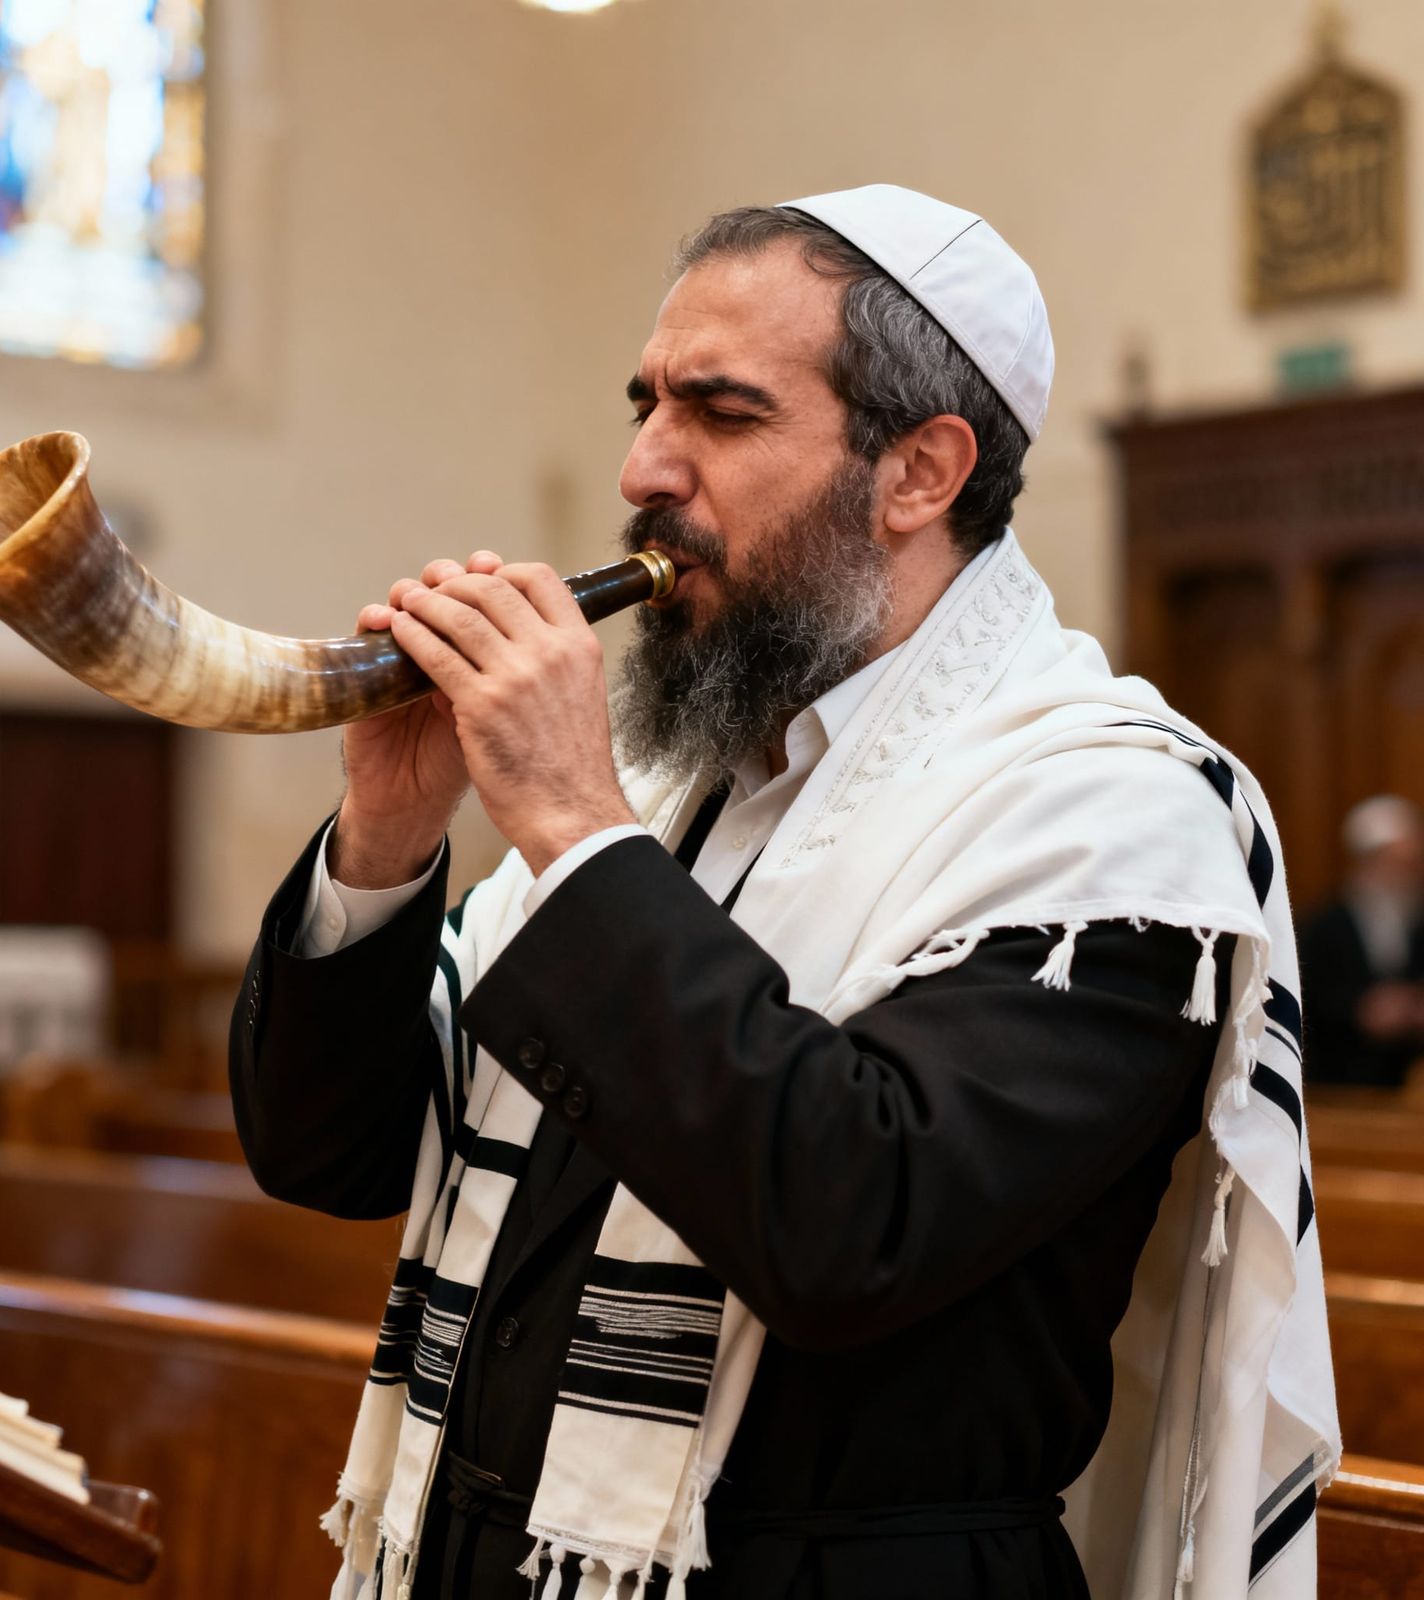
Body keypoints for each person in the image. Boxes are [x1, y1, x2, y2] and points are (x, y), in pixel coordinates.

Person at [229, 186, 1336, 1600]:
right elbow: (336, 1156)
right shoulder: (667, 777)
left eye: (723, 414)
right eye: (645, 405)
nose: (642, 467)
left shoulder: (1117, 807)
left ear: (920, 471)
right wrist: (387, 831)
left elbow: (850, 1227)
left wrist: (573, 824)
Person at [1301, 795, 1424, 1087]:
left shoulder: (1417, 917)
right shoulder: (1322, 926)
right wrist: (1361, 1010)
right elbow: (1308, 998)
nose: (1408, 876)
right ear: (1367, 862)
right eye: (1398, 863)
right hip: (1339, 1082)